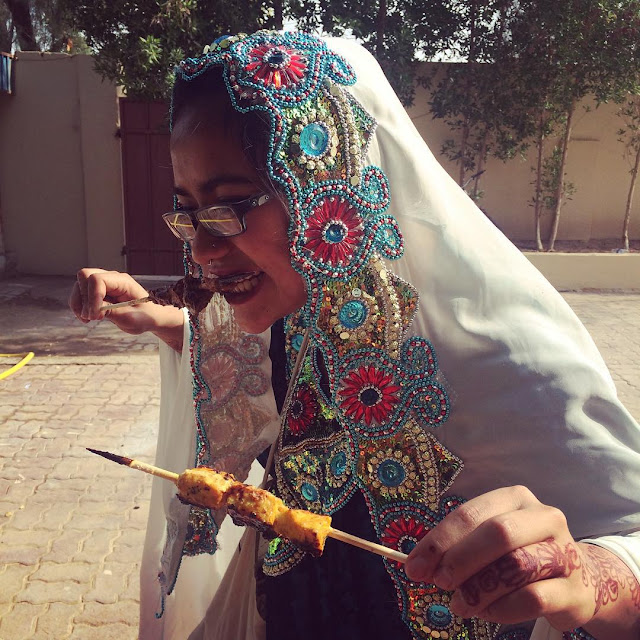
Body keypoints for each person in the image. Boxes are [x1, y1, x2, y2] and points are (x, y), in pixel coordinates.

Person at [70, 31, 640, 640]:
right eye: (188, 212)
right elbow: (253, 367)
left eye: (229, 204)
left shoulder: (510, 362)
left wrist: (589, 572)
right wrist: (160, 319)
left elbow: (627, 534)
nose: (203, 249)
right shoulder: (305, 310)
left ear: (327, 189)